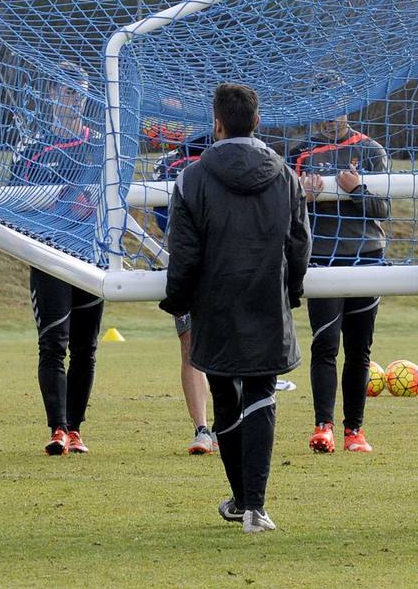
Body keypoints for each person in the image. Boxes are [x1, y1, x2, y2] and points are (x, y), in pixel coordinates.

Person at [161, 83, 311, 533]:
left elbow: (183, 251)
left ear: (217, 124)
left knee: (225, 397)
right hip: (267, 300)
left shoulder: (191, 177)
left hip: (215, 303)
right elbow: (300, 242)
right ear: (258, 121)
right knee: (262, 395)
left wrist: (177, 298)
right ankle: (254, 507)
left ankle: (243, 499)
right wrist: (293, 290)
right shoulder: (285, 175)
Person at [154, 131, 298, 456]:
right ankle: (203, 429)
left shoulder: (262, 160)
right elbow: (166, 218)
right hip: (198, 274)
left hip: (236, 274)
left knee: (232, 354)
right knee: (192, 347)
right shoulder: (181, 165)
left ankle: (229, 430)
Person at [12, 62, 103, 456]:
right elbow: (13, 204)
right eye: (67, 90)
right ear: (50, 95)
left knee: (87, 347)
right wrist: (61, 203)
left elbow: (114, 195)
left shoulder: (102, 143)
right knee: (53, 345)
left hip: (92, 259)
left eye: (79, 91)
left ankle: (77, 429)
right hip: (49, 258)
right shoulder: (31, 149)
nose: (74, 98)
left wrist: (91, 202)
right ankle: (57, 429)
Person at [289, 111, 391, 454]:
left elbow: (384, 207)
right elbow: (282, 208)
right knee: (325, 344)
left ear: (350, 109)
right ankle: (323, 428)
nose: (331, 118)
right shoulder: (301, 153)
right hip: (321, 260)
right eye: (324, 110)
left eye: (338, 110)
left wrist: (357, 190)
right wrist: (303, 199)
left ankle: (355, 432)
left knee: (359, 349)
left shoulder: (371, 150)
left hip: (366, 258)